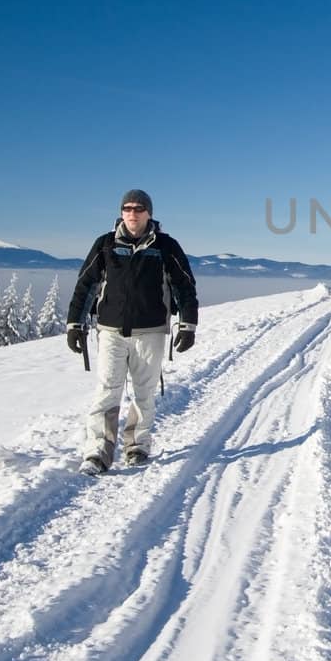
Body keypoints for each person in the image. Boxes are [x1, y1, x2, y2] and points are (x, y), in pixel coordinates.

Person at [66, 188, 199, 474]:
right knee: (107, 390)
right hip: (111, 331)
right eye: (127, 208)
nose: (132, 213)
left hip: (150, 331)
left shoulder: (165, 246)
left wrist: (187, 324)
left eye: (138, 208)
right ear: (121, 212)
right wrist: (75, 324)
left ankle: (137, 446)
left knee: (144, 392)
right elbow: (85, 285)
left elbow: (184, 286)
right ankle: (98, 452)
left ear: (149, 212)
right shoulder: (105, 244)